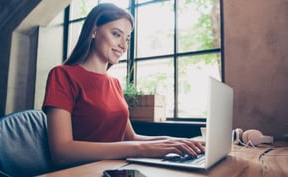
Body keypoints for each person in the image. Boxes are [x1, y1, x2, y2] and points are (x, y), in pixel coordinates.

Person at [42, 3, 205, 169]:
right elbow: (61, 152)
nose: (124, 46)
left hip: (116, 169)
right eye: (116, 34)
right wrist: (142, 149)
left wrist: (175, 142)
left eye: (127, 38)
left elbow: (131, 138)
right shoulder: (62, 75)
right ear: (94, 31)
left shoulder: (115, 83)